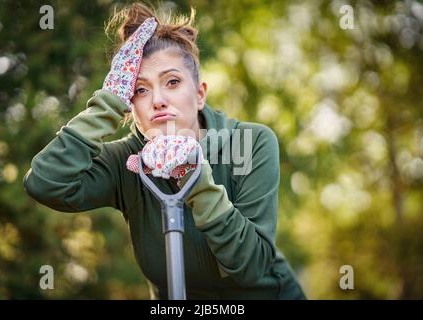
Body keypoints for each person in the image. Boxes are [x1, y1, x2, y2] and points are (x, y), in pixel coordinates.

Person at [23, 2, 306, 300]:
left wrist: (196, 179)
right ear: (129, 105)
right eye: (140, 90)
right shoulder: (127, 161)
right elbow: (45, 183)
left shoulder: (251, 142)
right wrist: (107, 104)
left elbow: (253, 267)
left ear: (199, 94)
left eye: (172, 82)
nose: (157, 100)